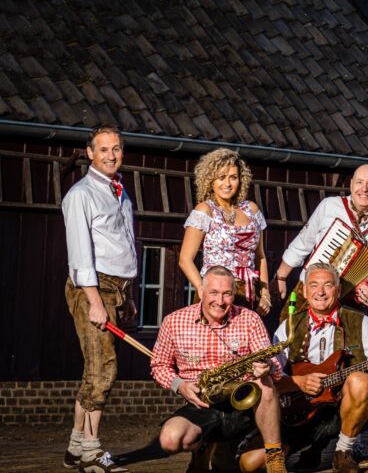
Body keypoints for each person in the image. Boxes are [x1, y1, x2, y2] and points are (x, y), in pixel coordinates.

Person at [272, 263, 368, 473]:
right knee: (252, 464)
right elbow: (272, 377)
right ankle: (311, 447)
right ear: (305, 291)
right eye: (314, 285)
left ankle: (343, 452)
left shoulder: (359, 322)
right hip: (296, 413)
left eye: (328, 285)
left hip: (338, 412)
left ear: (338, 290)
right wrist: (299, 382)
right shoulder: (289, 326)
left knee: (361, 381)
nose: (321, 292)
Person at [151, 266, 286, 473]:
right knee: (170, 439)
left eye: (227, 294)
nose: (220, 301)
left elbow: (274, 367)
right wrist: (180, 385)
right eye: (213, 292)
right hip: (201, 403)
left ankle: (274, 457)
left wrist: (267, 366)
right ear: (201, 291)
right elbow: (159, 365)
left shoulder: (249, 318)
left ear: (234, 294)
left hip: (244, 402)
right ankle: (202, 449)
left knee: (265, 384)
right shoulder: (173, 321)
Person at [62, 125, 137, 473]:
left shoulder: (120, 191)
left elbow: (125, 245)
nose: (111, 155)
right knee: (103, 369)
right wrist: (94, 301)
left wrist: (129, 295)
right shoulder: (81, 194)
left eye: (116, 148)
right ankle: (91, 453)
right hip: (94, 288)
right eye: (103, 149)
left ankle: (76, 447)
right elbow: (80, 253)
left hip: (117, 289)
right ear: (90, 153)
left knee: (95, 370)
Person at [272, 164, 368, 309]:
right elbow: (303, 243)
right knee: (289, 324)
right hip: (309, 293)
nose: (364, 189)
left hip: (349, 306)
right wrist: (280, 277)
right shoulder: (329, 206)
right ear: (351, 184)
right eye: (359, 182)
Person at [179, 148, 270, 315]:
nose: (227, 184)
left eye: (233, 177)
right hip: (215, 293)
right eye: (221, 177)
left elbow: (261, 257)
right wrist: (202, 289)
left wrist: (265, 294)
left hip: (248, 293)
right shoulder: (205, 210)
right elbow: (185, 259)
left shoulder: (251, 209)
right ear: (210, 180)